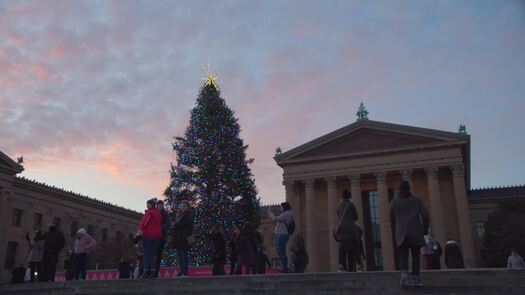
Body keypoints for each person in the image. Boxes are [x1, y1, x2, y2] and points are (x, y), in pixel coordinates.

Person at [390, 180, 429, 287]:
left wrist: (396, 229)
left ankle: (404, 274)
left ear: (399, 190)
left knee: (403, 255)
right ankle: (415, 277)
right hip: (415, 232)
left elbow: (391, 218)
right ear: (409, 189)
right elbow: (425, 215)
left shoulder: (394, 202)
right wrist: (425, 229)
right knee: (415, 255)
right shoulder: (417, 200)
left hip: (401, 232)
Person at [334, 190, 359, 272]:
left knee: (342, 250)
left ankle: (342, 267)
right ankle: (352, 268)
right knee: (352, 250)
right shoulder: (351, 205)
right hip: (351, 231)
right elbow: (356, 217)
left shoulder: (339, 206)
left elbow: (338, 215)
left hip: (342, 231)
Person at [138, 198, 162, 279]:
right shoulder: (158, 212)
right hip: (157, 235)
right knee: (153, 254)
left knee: (146, 254)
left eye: (147, 204)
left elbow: (144, 222)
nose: (146, 205)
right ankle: (153, 271)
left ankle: (146, 271)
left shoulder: (150, 212)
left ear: (151, 205)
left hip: (148, 235)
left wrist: (140, 230)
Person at [267, 202, 294, 273]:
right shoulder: (285, 214)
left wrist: (270, 213)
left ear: (284, 207)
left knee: (281, 252)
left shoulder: (287, 214)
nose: (280, 208)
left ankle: (285, 268)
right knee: (280, 252)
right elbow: (275, 222)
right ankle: (284, 268)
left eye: (281, 207)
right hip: (280, 235)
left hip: (282, 235)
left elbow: (275, 219)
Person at [172, 200, 194, 277]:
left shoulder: (189, 215)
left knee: (184, 255)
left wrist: (176, 224)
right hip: (179, 238)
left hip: (185, 238)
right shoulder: (180, 215)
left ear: (188, 207)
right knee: (180, 255)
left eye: (184, 206)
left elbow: (186, 223)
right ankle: (181, 271)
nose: (183, 208)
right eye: (181, 206)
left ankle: (185, 272)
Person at [155, 199, 170, 277]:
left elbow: (168, 224)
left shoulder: (165, 214)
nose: (160, 207)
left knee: (158, 255)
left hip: (161, 237)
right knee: (153, 255)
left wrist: (159, 227)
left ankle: (156, 272)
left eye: (161, 205)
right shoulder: (154, 213)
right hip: (153, 237)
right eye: (158, 205)